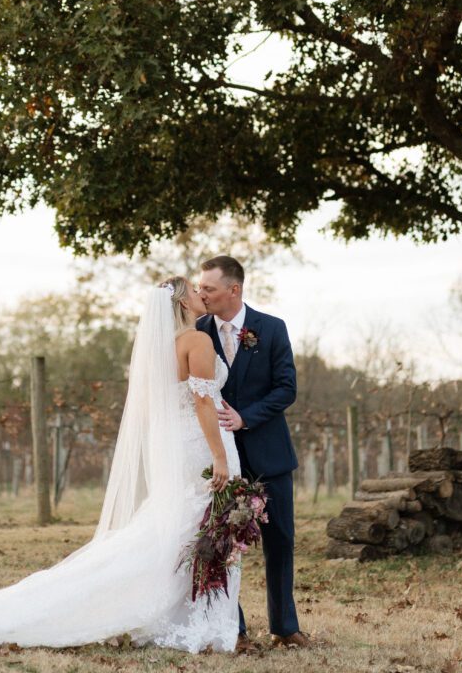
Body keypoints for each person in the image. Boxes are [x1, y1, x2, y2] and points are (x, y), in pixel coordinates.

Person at [0, 279, 242, 653]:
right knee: (198, 526)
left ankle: (184, 614)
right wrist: (220, 457)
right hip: (200, 447)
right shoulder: (197, 340)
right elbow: (202, 403)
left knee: (184, 528)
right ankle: (192, 617)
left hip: (180, 444)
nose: (200, 293)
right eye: (194, 289)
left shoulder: (162, 348)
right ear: (180, 302)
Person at [196, 255, 309, 651]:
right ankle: (236, 630)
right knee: (222, 545)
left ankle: (285, 627)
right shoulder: (196, 331)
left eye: (208, 288)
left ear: (234, 289)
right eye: (200, 287)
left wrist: (247, 418)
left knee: (280, 540)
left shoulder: (272, 328)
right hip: (219, 460)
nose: (201, 294)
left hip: (269, 453)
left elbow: (286, 388)